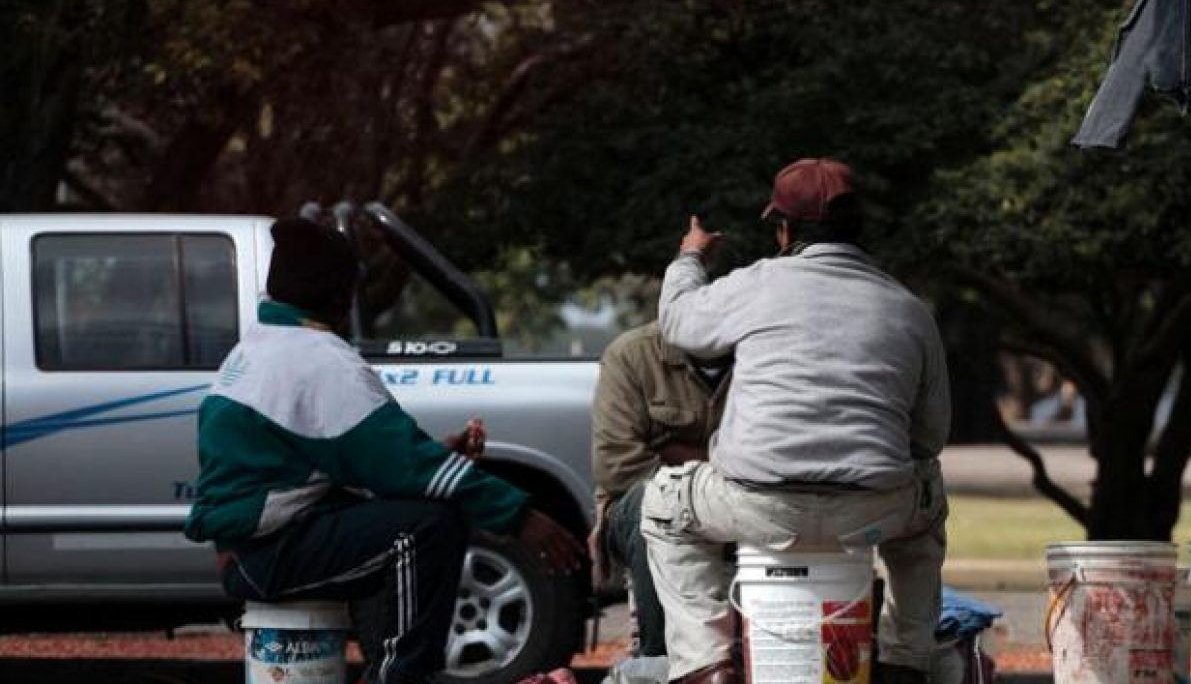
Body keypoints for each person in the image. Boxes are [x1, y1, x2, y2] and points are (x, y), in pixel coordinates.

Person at [184, 218, 581, 684]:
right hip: (262, 556)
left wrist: (433, 458)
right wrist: (520, 516)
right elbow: (402, 460)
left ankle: (387, 667)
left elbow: (373, 458)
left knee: (404, 515)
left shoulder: (262, 347)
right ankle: (401, 676)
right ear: (341, 295)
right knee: (425, 530)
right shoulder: (317, 359)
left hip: (248, 550)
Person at [640, 158, 950, 684]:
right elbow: (930, 437)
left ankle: (705, 663)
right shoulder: (909, 309)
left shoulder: (757, 284)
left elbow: (677, 322)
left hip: (757, 506)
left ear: (783, 230)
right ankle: (904, 660)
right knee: (928, 502)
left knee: (664, 505)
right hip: (871, 511)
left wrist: (690, 255)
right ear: (858, 228)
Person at [590, 321, 730, 658]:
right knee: (652, 507)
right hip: (645, 498)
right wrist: (720, 463)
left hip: (734, 498)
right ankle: (660, 662)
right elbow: (617, 465)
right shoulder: (632, 354)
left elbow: (780, 453)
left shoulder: (760, 352)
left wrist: (677, 453)